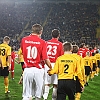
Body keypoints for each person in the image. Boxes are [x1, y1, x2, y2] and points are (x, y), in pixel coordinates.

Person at [21, 24, 52, 100]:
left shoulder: (24, 40)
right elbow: (45, 58)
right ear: (41, 32)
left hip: (27, 69)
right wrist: (51, 67)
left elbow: (23, 52)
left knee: (26, 95)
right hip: (38, 70)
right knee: (38, 95)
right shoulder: (43, 42)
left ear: (32, 30)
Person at [43, 29, 64, 100]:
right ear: (59, 35)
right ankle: (53, 98)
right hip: (55, 64)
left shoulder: (46, 43)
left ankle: (45, 97)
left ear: (51, 35)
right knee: (55, 83)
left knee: (47, 82)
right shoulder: (60, 44)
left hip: (47, 63)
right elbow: (61, 57)